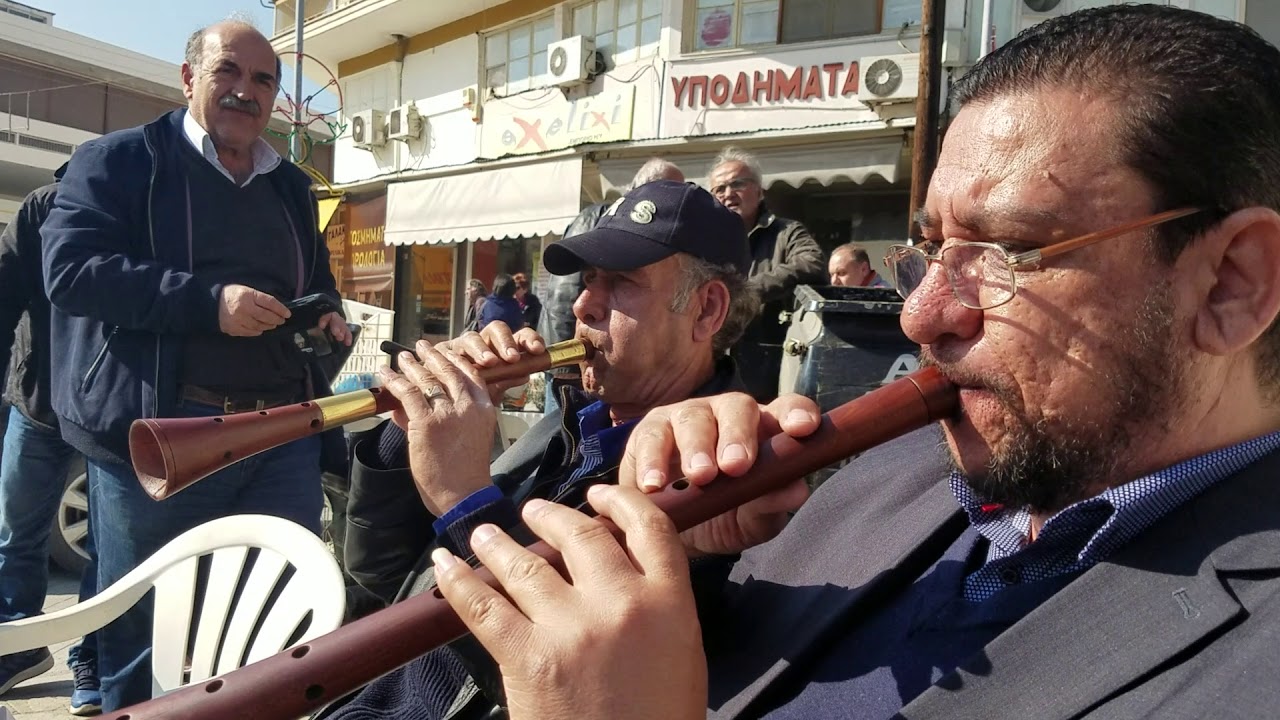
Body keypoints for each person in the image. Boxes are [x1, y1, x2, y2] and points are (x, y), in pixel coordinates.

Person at [413, 6, 1280, 718]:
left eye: (1010, 249)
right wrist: (693, 563)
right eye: (931, 248)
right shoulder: (892, 475)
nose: (921, 313)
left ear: (1231, 284)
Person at [323, 180, 761, 718]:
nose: (583, 304)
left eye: (621, 283)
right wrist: (411, 426)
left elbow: (564, 687)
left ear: (706, 310)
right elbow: (380, 570)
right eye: (589, 279)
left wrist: (465, 501)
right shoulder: (565, 426)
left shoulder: (712, 472)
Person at [40, 19, 348, 712]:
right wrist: (209, 304)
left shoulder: (291, 186)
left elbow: (315, 279)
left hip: (281, 436)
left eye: (263, 80)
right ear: (188, 79)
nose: (246, 91)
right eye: (227, 73)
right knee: (146, 632)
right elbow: (71, 270)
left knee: (273, 620)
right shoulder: (117, 161)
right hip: (165, 436)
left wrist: (324, 313)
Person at [0, 167, 102, 715]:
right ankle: (18, 645)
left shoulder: (139, 209)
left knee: (107, 549)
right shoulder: (43, 206)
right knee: (16, 533)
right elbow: (3, 294)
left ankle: (92, 655)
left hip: (109, 413)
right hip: (36, 403)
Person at [539, 157, 685, 416]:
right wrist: (569, 363)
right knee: (562, 434)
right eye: (667, 191)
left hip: (592, 363)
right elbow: (563, 297)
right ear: (640, 190)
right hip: (575, 365)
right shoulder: (598, 217)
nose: (674, 202)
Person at [709, 147, 824, 404]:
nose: (728, 194)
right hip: (711, 375)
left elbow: (811, 262)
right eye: (719, 189)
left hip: (771, 373)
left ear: (759, 191)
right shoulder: (704, 242)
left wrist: (749, 290)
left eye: (738, 184)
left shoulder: (787, 232)